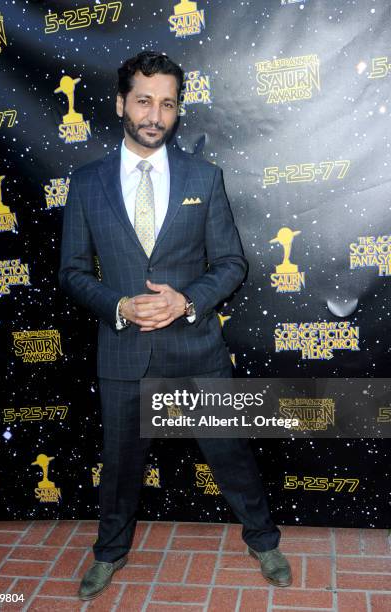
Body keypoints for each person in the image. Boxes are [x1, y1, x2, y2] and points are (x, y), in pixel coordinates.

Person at [59, 51, 292, 602]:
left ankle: (263, 540)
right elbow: (70, 272)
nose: (154, 115)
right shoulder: (87, 183)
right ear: (121, 103)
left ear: (177, 109)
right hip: (123, 353)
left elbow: (232, 263)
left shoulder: (203, 177)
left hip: (196, 350)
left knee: (231, 455)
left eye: (167, 103)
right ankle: (109, 552)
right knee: (118, 469)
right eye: (144, 100)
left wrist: (188, 300)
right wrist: (119, 305)